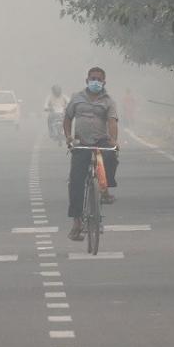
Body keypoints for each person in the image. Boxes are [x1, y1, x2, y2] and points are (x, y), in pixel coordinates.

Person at [63, 67, 119, 241]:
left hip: (101, 141)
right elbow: (67, 118)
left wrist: (113, 140)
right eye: (93, 78)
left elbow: (112, 121)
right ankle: (77, 223)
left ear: (104, 82)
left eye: (99, 79)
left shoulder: (108, 101)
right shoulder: (76, 98)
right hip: (81, 143)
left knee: (111, 157)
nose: (96, 81)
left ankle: (105, 189)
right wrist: (68, 137)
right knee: (76, 182)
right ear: (87, 80)